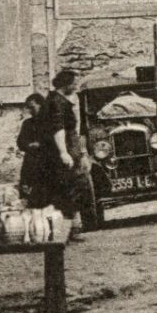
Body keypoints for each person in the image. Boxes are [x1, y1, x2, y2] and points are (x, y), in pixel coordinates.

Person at [41, 69, 88, 238]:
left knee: (73, 187)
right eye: (74, 83)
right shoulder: (57, 102)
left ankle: (71, 228)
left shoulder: (60, 101)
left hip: (71, 149)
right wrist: (63, 152)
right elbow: (58, 129)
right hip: (64, 151)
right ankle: (68, 230)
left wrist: (81, 152)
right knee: (67, 188)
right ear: (66, 84)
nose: (76, 86)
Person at [15, 93, 49, 208]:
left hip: (48, 165)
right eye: (28, 107)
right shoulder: (27, 123)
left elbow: (55, 141)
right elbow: (20, 142)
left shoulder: (51, 122)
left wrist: (41, 144)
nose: (30, 110)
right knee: (30, 198)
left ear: (41, 105)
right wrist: (29, 145)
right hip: (31, 165)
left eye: (32, 107)